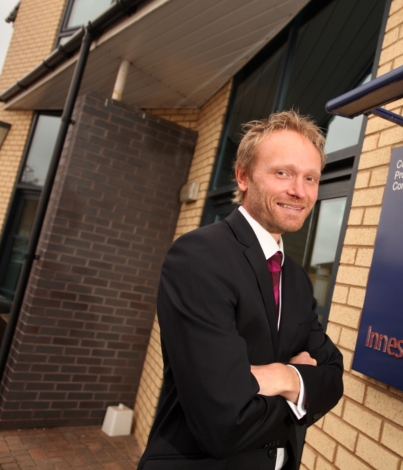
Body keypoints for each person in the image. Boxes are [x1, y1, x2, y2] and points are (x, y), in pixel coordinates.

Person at [138, 111, 344, 469]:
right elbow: (223, 423)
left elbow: (333, 377)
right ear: (243, 176)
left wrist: (280, 376)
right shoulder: (200, 256)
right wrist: (300, 388)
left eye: (310, 178)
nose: (299, 191)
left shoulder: (296, 279)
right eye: (283, 173)